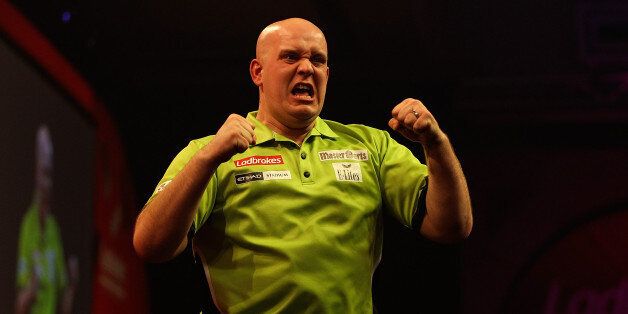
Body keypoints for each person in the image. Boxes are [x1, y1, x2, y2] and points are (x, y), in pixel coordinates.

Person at [133, 18, 472, 313]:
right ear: (258, 72)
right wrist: (207, 160)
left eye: (318, 60)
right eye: (291, 56)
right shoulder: (212, 151)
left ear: (327, 73)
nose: (307, 68)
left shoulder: (370, 145)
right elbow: (150, 245)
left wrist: (436, 143)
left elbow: (450, 227)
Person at [16, 125, 79, 314]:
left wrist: (72, 286)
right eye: (43, 174)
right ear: (36, 175)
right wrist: (29, 293)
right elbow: (19, 307)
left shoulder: (53, 229)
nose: (47, 183)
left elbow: (63, 307)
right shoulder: (28, 225)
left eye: (50, 175)